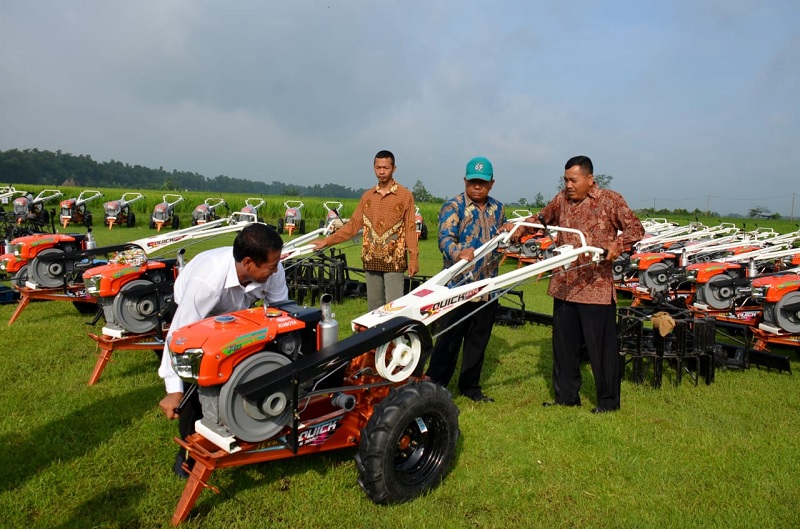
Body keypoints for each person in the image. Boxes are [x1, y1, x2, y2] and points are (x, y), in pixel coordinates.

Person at [157, 223, 289, 476]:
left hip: (236, 317)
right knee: (198, 384)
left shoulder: (274, 269)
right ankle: (189, 455)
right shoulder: (207, 282)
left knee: (250, 365)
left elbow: (280, 310)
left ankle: (252, 429)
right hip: (194, 318)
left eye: (276, 265)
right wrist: (174, 390)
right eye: (270, 267)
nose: (275, 270)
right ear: (248, 263)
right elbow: (178, 338)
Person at [533, 155, 644, 414]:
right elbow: (541, 219)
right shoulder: (560, 200)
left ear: (590, 179)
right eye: (565, 179)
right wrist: (516, 229)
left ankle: (607, 401)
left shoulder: (610, 200)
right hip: (564, 284)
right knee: (564, 347)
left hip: (596, 287)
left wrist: (616, 245)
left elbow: (636, 229)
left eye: (573, 180)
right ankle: (566, 397)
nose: (568, 185)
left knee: (602, 350)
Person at [426, 156, 507, 403]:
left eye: (482, 182)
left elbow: (503, 240)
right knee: (448, 339)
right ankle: (435, 386)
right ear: (465, 181)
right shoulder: (454, 207)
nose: (477, 186)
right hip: (457, 288)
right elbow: (444, 238)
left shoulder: (499, 208)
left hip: (487, 287)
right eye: (473, 181)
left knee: (478, 340)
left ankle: (470, 386)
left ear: (491, 183)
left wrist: (507, 236)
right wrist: (456, 252)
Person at [311, 150, 418, 310]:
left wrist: (414, 259)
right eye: (378, 167)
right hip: (371, 259)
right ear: (373, 168)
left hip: (394, 261)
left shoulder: (405, 196)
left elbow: (410, 228)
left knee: (394, 308)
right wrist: (327, 241)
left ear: (394, 168)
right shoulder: (367, 197)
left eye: (386, 168)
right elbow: (353, 226)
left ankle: (394, 336)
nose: (381, 172)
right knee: (374, 308)